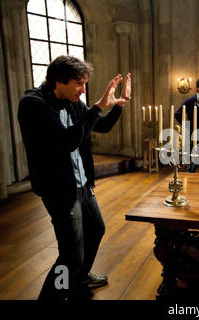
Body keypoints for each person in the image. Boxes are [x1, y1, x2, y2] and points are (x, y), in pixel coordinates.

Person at [18, 55, 131, 300]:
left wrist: (118, 105)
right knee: (70, 254)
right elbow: (67, 141)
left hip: (82, 184)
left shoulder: (72, 101)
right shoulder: (33, 104)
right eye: (79, 84)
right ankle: (52, 296)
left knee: (96, 229)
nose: (83, 90)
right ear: (59, 80)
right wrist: (99, 106)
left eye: (85, 84)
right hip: (59, 189)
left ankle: (79, 277)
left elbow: (100, 126)